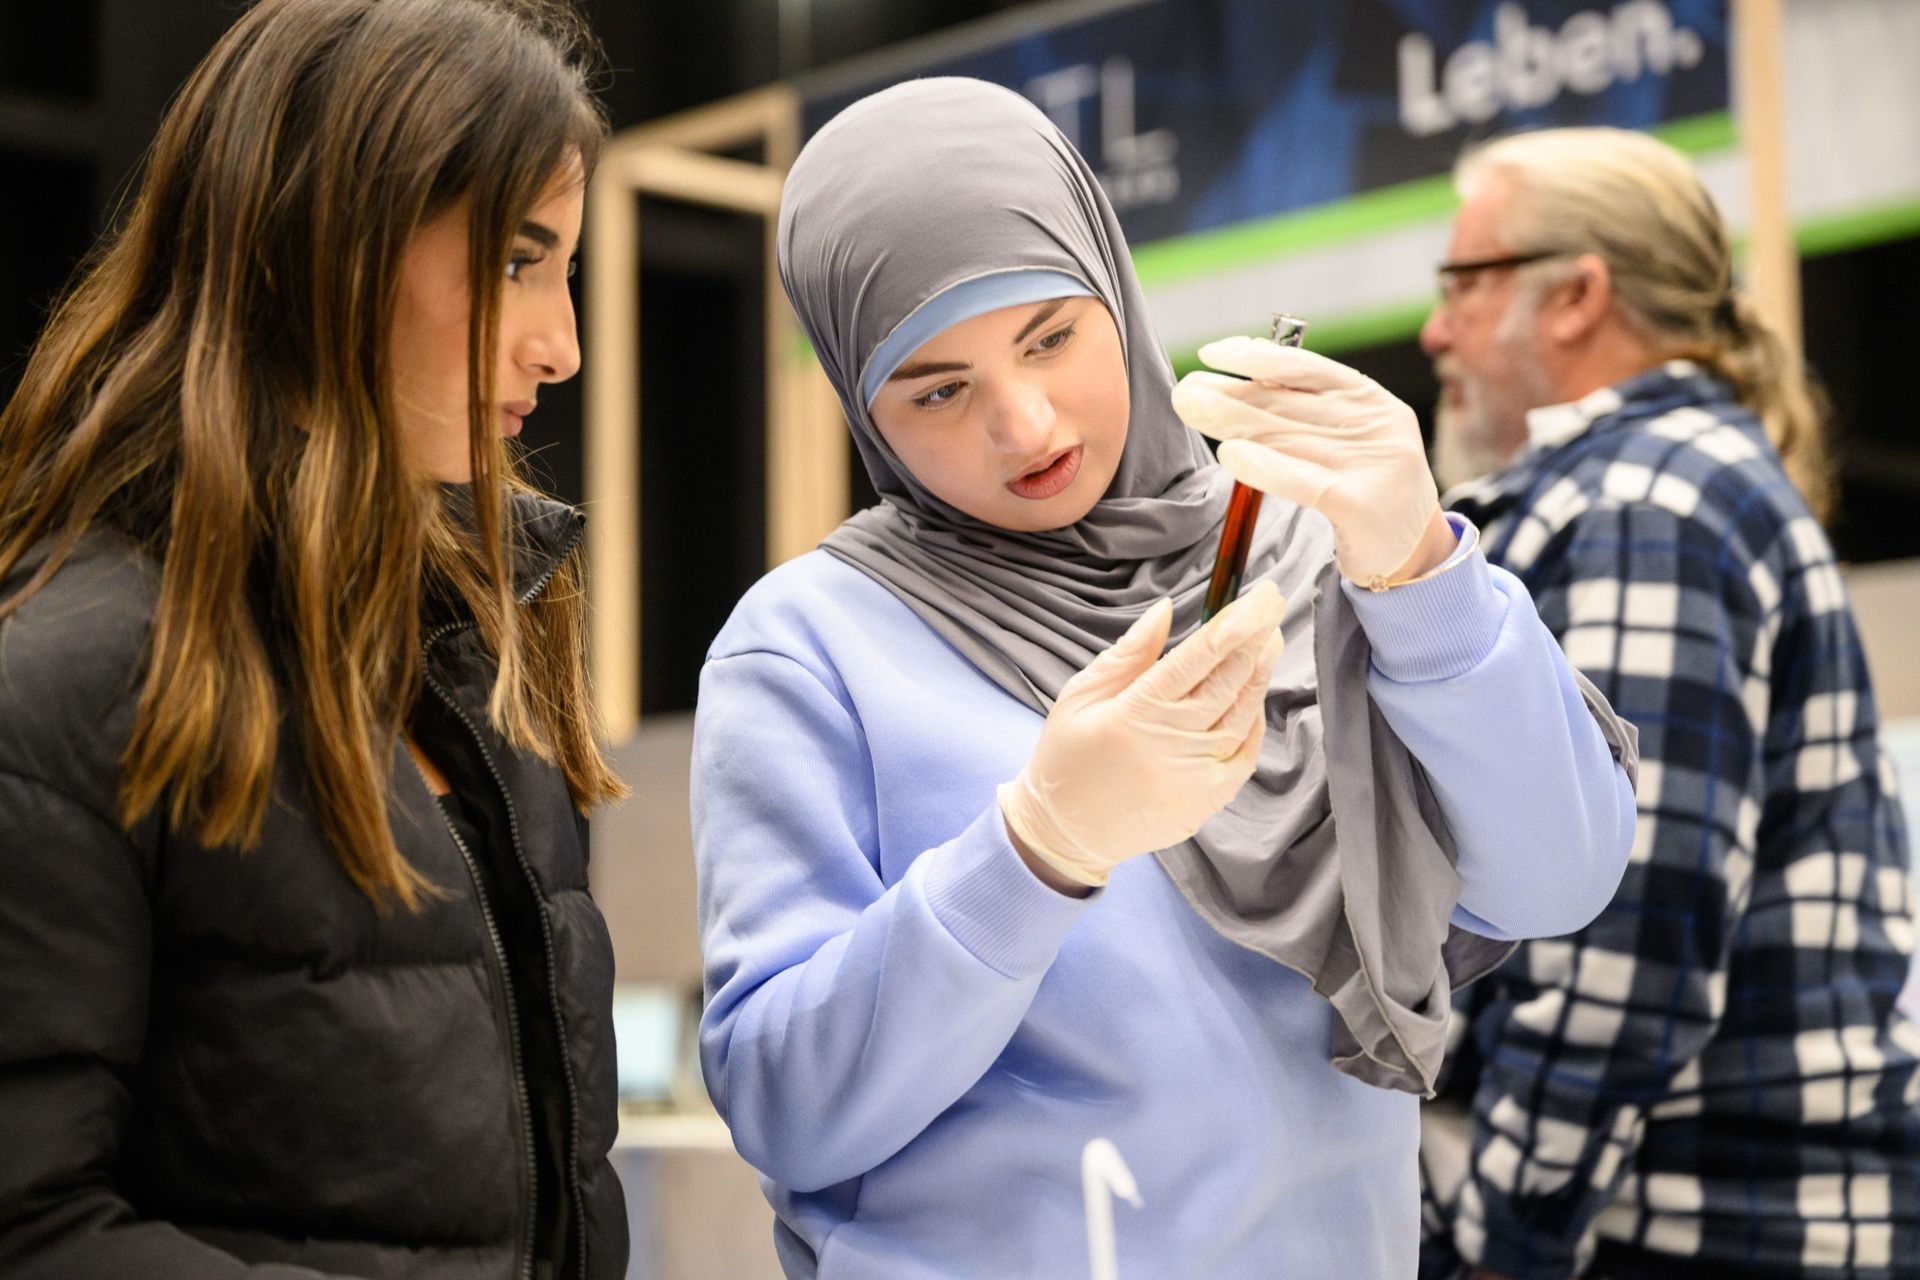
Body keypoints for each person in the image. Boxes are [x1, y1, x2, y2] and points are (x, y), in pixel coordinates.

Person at [689, 77, 1639, 1280]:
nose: (1026, 424)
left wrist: (1420, 572)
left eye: (1051, 336)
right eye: (938, 389)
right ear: (859, 404)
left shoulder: (1308, 549)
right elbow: (786, 1105)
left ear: (1116, 289)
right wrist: (1038, 845)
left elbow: (1559, 877)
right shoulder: (814, 643)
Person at [0, 2, 631, 1277]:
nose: (559, 343)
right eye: (518, 260)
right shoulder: (64, 679)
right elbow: (31, 1223)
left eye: (563, 268)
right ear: (325, 244)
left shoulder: (486, 661)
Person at [1416, 127, 1920, 1280]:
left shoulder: (1645, 498)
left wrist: (1504, 1239)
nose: (1436, 329)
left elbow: (1622, 930)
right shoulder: (1667, 481)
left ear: (1576, 295)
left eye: (1462, 283)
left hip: (1708, 1224)